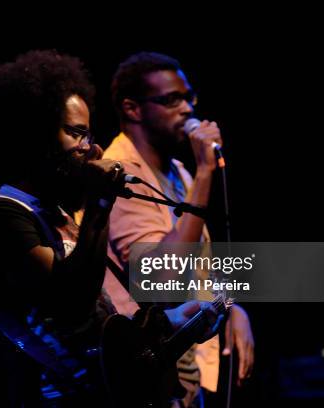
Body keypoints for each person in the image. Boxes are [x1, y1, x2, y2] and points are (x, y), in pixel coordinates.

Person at [0, 50, 221, 406]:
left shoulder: (57, 211)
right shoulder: (0, 216)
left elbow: (105, 325)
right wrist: (101, 202)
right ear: (34, 135)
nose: (92, 148)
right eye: (77, 134)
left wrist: (179, 322)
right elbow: (70, 303)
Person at [103, 52, 255, 407]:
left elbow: (199, 271)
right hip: (143, 378)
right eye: (171, 100)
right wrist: (205, 174)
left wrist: (233, 308)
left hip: (184, 376)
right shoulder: (119, 175)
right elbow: (159, 278)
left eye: (189, 98)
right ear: (132, 109)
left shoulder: (176, 172)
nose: (187, 109)